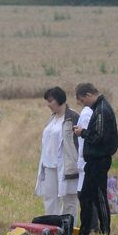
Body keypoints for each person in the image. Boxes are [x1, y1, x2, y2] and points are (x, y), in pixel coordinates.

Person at [72, 83, 118, 235]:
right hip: (93, 161)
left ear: (88, 95)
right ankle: (84, 232)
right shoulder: (99, 108)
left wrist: (82, 132)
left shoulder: (102, 110)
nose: (84, 105)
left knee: (99, 197)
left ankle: (105, 231)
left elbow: (98, 136)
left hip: (99, 160)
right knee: (85, 196)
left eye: (82, 101)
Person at [36, 87, 80, 217]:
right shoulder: (52, 118)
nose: (48, 104)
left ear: (60, 99)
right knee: (49, 198)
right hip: (49, 164)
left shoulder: (73, 117)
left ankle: (68, 228)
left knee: (69, 198)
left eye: (51, 101)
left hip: (66, 166)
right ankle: (52, 227)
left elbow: (79, 142)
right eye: (47, 101)